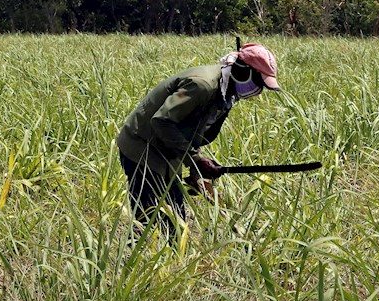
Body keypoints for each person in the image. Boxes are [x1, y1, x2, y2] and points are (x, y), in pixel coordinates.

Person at [115, 42, 281, 242]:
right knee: (149, 220)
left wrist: (196, 170)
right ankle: (135, 263)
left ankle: (169, 263)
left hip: (166, 151)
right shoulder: (203, 85)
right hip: (142, 148)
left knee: (175, 222)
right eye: (258, 82)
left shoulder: (226, 92)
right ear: (243, 71)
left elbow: (193, 128)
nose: (257, 91)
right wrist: (194, 160)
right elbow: (162, 121)